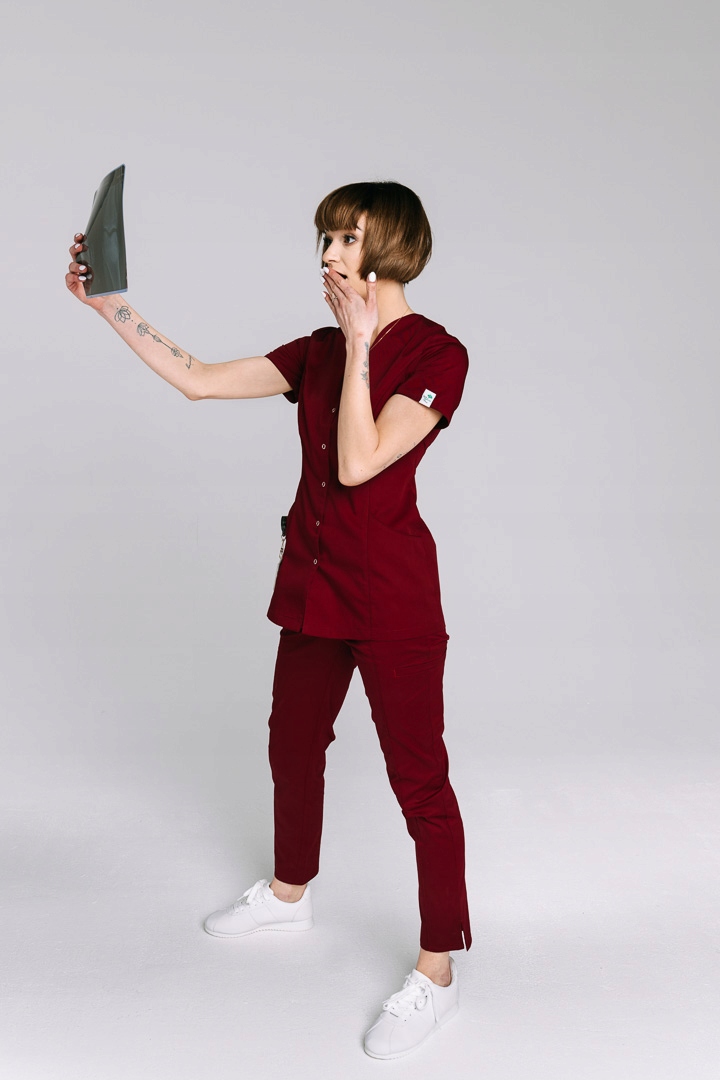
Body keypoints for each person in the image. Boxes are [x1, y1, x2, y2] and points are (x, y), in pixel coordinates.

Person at [66, 180, 471, 1060]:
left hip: (394, 599)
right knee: (292, 742)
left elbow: (360, 463)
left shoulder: (439, 355)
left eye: (348, 237)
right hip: (316, 587)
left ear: (392, 248)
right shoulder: (317, 350)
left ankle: (437, 972)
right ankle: (290, 893)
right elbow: (200, 381)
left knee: (421, 785)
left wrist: (361, 346)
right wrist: (111, 307)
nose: (329, 253)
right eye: (325, 236)